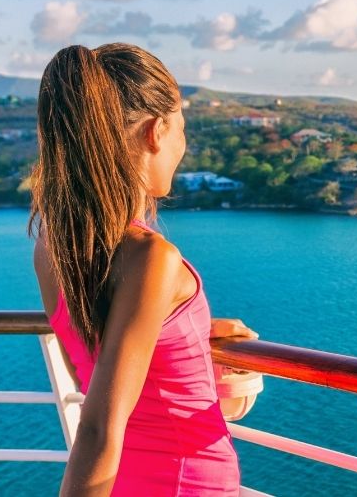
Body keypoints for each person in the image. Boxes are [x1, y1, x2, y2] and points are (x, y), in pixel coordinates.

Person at [28, 42, 257, 496]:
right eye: (182, 130)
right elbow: (97, 429)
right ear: (157, 131)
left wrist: (194, 336)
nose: (183, 146)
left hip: (124, 482)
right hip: (185, 483)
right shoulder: (151, 258)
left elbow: (96, 369)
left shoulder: (54, 246)